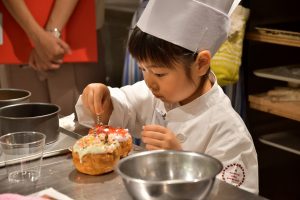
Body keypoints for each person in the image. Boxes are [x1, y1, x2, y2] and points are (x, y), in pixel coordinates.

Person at [75, 0, 258, 194]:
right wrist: (103, 99)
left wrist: (180, 162)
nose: (149, 82)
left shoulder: (229, 132)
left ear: (201, 64)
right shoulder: (155, 95)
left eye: (159, 73)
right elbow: (123, 103)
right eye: (142, 69)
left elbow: (235, 195)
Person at [0, 0, 106, 115]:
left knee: (84, 121)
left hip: (75, 33)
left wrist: (43, 35)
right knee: (22, 121)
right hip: (15, 36)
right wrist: (42, 36)